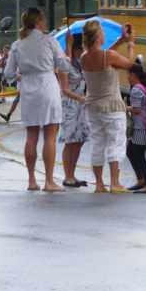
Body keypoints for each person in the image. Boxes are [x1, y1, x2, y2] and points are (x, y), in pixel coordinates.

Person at [4, 7, 70, 192]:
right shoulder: (50, 40)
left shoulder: (17, 44)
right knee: (50, 134)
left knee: (31, 136)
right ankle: (49, 180)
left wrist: (21, 75)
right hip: (47, 86)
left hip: (28, 89)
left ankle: (32, 180)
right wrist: (69, 48)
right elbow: (63, 64)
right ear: (38, 21)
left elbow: (8, 74)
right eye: (43, 19)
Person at [80, 19, 136, 193]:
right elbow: (130, 65)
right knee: (115, 142)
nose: (104, 34)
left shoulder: (84, 57)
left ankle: (99, 184)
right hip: (112, 105)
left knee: (98, 143)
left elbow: (106, 55)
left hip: (93, 107)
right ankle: (114, 182)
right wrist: (131, 44)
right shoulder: (107, 56)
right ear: (98, 36)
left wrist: (120, 40)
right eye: (102, 32)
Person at [59, 31, 90, 188]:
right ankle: (67, 176)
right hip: (69, 105)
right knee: (70, 140)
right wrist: (80, 98)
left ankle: (73, 173)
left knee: (80, 139)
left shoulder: (80, 63)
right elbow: (64, 89)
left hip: (81, 105)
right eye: (82, 48)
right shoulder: (65, 64)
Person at [126, 63, 146, 193]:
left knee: (139, 154)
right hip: (142, 126)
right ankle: (141, 180)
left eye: (129, 74)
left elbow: (137, 109)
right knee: (132, 152)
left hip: (140, 127)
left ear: (133, 75)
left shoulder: (136, 90)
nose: (127, 77)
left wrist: (123, 107)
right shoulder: (142, 87)